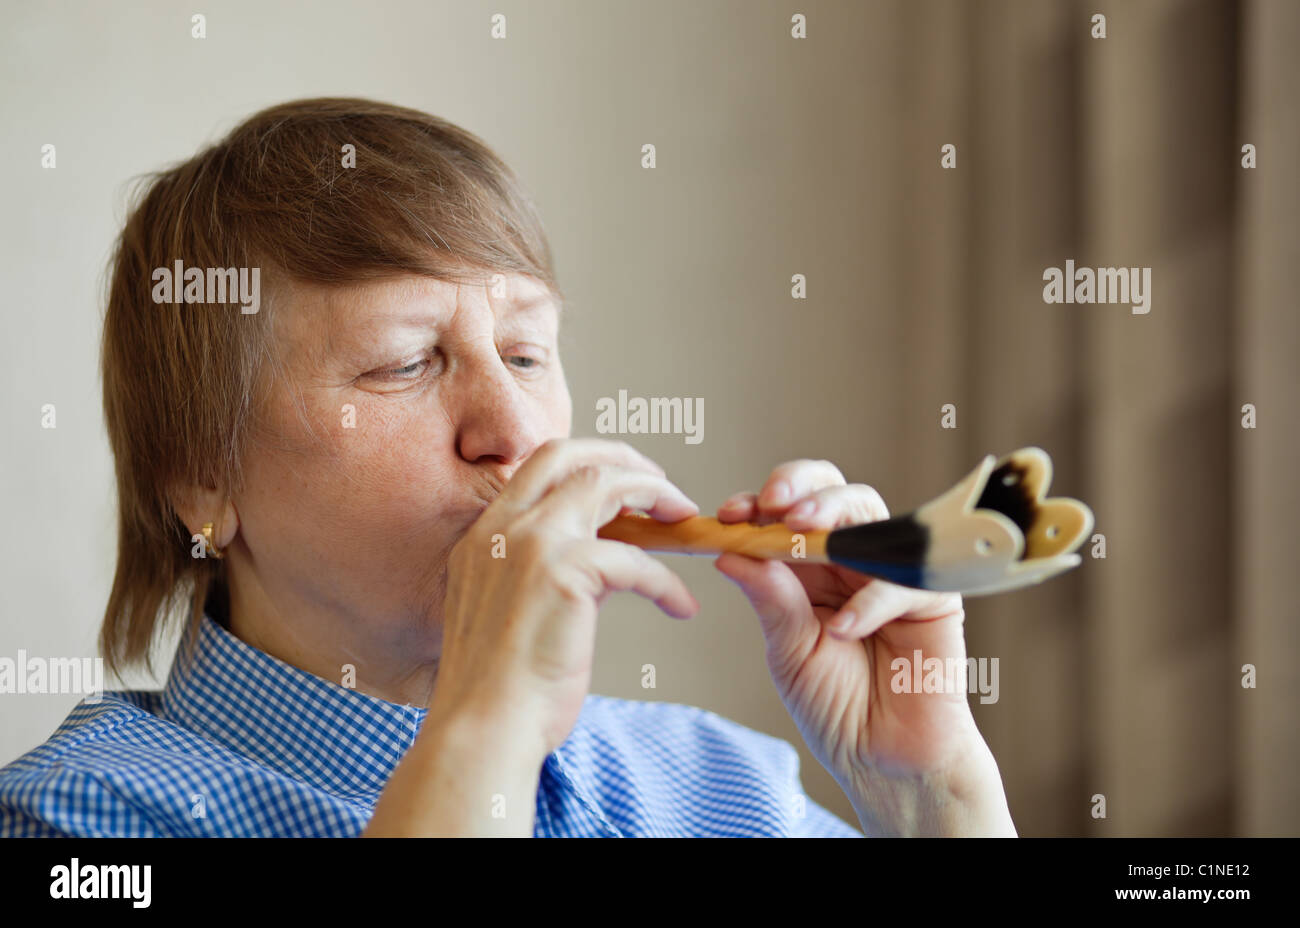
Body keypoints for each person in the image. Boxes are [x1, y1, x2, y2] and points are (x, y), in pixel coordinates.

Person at [0, 98, 1015, 837]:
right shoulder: (84, 821)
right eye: (406, 362)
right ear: (198, 482)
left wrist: (926, 794)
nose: (515, 426)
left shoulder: (720, 785)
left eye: (527, 353)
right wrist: (480, 731)